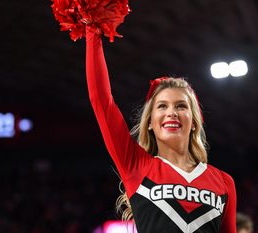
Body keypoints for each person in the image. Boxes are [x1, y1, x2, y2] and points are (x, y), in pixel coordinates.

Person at [85, 25, 237, 233]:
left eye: (181, 106)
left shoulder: (224, 182)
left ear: (194, 122)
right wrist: (93, 28)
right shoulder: (136, 166)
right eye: (162, 106)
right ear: (150, 122)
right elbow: (101, 101)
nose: (172, 112)